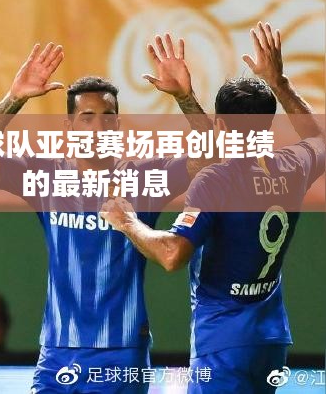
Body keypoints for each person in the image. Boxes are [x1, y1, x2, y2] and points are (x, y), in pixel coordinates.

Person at [0, 34, 212, 393]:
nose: (98, 128)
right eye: (87, 118)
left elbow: (212, 157)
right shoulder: (46, 177)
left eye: (108, 118)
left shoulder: (144, 179)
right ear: (68, 128)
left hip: (120, 354)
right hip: (56, 354)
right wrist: (14, 97)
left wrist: (185, 98)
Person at [100, 22, 325, 394]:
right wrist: (279, 82)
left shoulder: (216, 180)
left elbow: (172, 254)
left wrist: (127, 222)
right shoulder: (294, 166)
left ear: (220, 123)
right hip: (270, 340)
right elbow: (318, 136)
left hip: (222, 342)